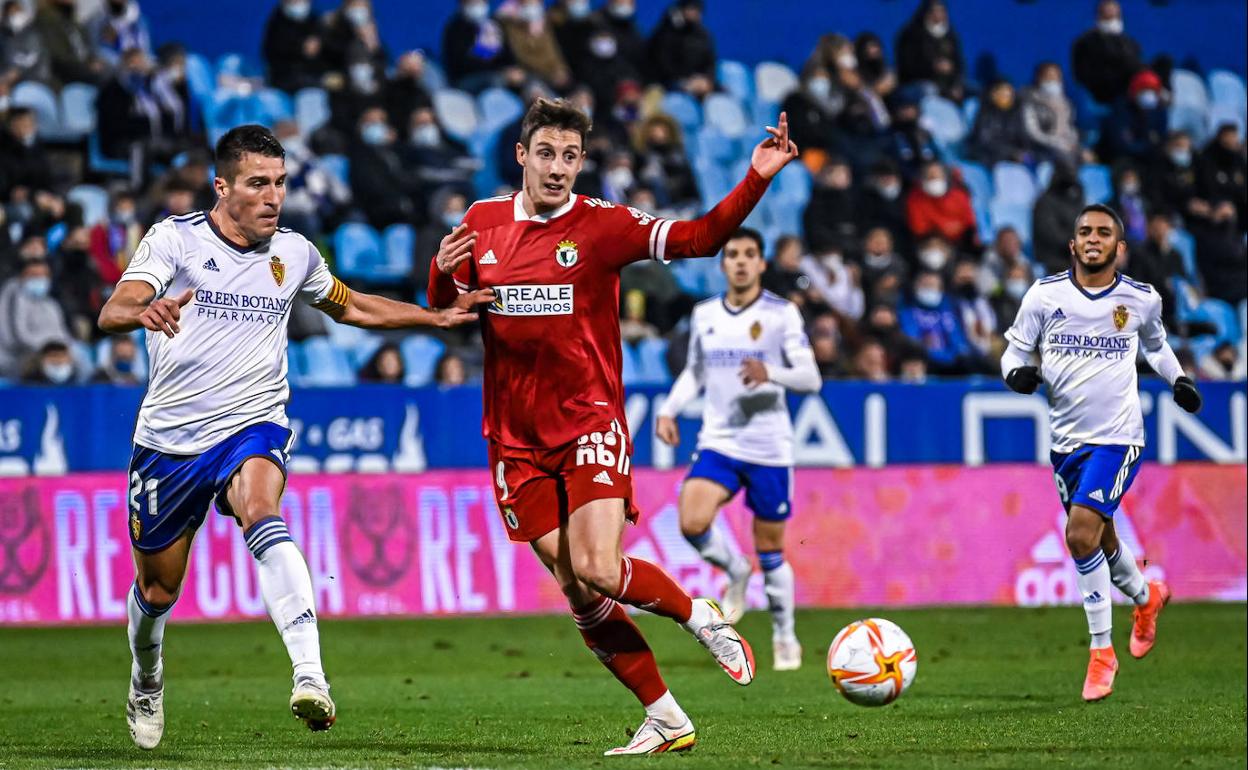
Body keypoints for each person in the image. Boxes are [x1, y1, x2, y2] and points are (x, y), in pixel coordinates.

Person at [96, 124, 489, 750]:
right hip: (169, 442)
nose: (273, 196)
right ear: (223, 187)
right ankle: (147, 676)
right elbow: (114, 307)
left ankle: (310, 673)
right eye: (258, 184)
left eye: (280, 183)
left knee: (261, 506)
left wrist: (434, 317)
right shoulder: (176, 240)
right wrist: (143, 309)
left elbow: (352, 306)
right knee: (158, 589)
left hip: (252, 423)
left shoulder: (295, 253)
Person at [426, 98, 798, 755]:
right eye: (546, 153)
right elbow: (445, 308)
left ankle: (700, 616)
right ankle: (666, 717)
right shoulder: (481, 223)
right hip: (514, 437)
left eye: (571, 156)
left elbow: (700, 238)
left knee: (598, 567)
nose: (559, 167)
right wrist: (440, 268)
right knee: (577, 589)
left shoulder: (603, 226)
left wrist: (758, 176)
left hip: (589, 420)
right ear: (521, 156)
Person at [1001, 203, 1198, 701]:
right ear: (1072, 244)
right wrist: (1016, 373)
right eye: (1085, 231)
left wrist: (1178, 379)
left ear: (1119, 246)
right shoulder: (1045, 295)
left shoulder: (1140, 299)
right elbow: (1014, 349)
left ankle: (1100, 653)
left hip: (1118, 437)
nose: (1093, 238)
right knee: (1101, 537)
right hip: (1066, 443)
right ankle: (1146, 595)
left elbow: (1155, 346)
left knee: (1080, 533)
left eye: (1103, 232)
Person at [655, 227, 819, 671]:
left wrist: (772, 372)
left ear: (762, 264)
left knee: (771, 548)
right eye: (733, 255)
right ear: (723, 264)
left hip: (768, 446)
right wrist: (669, 410)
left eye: (749, 254)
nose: (741, 262)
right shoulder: (706, 314)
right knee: (691, 520)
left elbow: (811, 378)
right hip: (720, 440)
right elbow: (694, 372)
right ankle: (735, 569)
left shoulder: (782, 315)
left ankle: (785, 636)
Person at [0, 250, 71, 378]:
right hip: (16, 358)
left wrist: (61, 349)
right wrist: (48, 347)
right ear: (22, 277)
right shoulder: (13, 297)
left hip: (50, 351)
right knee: (52, 359)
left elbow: (62, 333)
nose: (39, 279)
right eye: (34, 275)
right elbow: (17, 336)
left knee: (77, 356)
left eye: (43, 275)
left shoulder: (51, 304)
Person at [1071, 0, 1142, 105]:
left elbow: (1136, 65)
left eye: (1115, 14)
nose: (1112, 17)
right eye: (1107, 13)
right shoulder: (1085, 42)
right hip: (1097, 96)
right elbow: (1081, 73)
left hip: (1126, 96)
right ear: (1098, 15)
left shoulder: (1130, 43)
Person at [895, 0, 965, 102]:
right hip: (917, 83)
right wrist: (933, 67)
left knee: (972, 90)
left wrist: (954, 79)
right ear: (926, 13)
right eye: (935, 11)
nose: (938, 15)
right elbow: (906, 67)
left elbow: (959, 63)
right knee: (930, 90)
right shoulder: (911, 34)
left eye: (942, 11)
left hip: (946, 83)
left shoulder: (950, 35)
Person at [1021, 61, 1080, 165]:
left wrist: (1072, 142)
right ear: (1039, 78)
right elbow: (1033, 133)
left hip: (1065, 148)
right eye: (1048, 76)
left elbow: (1070, 127)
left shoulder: (1066, 103)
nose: (1053, 80)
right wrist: (1056, 143)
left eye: (1056, 76)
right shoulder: (1030, 102)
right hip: (1041, 150)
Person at [261, 0, 326, 93]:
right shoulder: (276, 24)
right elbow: (272, 54)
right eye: (294, 1)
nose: (299, 3)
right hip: (284, 82)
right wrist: (301, 48)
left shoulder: (316, 20)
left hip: (314, 78)